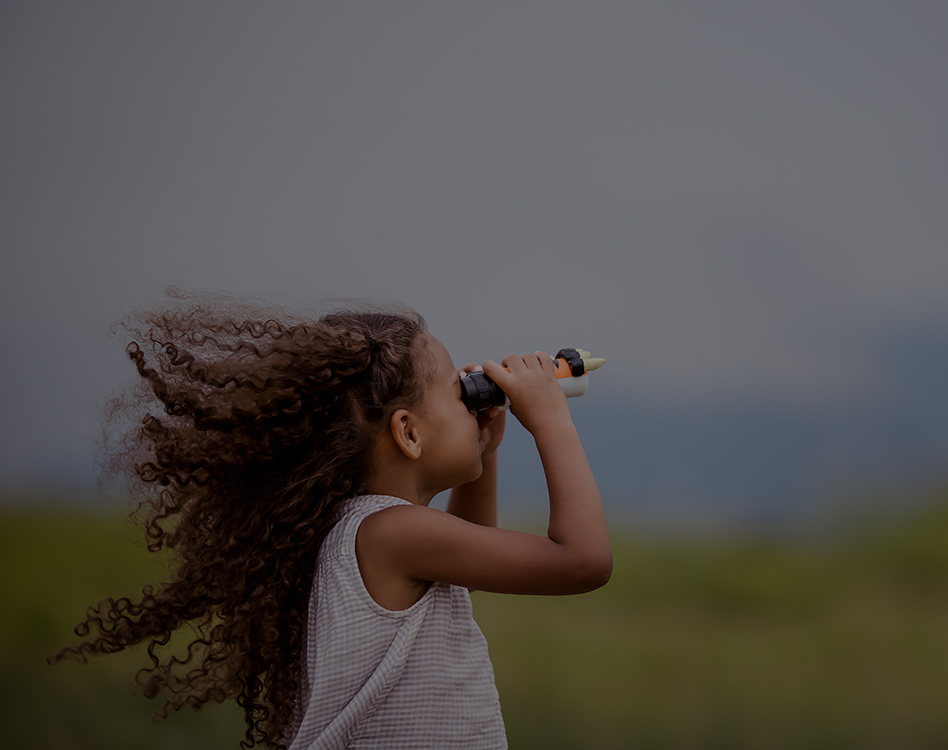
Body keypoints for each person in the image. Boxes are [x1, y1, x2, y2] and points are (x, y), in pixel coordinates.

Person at [50, 294, 611, 749]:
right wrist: (551, 421)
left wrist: (484, 453)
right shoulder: (393, 533)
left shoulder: (369, 530)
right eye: (456, 393)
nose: (472, 403)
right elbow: (583, 562)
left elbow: (474, 556)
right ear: (408, 433)